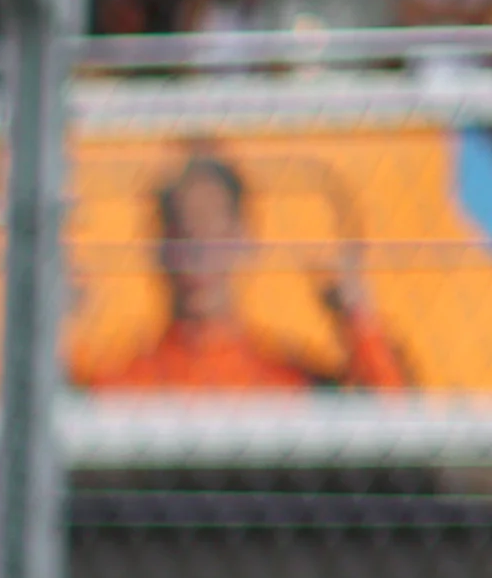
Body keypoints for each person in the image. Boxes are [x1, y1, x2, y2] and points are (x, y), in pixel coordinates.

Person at [72, 144, 408, 395]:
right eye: (184, 236)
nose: (199, 257)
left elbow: (398, 424)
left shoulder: (287, 382)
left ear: (244, 240)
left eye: (213, 236)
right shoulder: (128, 383)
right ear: (158, 247)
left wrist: (358, 320)